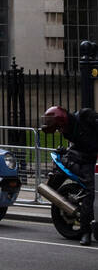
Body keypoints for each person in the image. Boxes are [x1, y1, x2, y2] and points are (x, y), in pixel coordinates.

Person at [42, 104, 98, 245]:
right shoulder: (67, 130)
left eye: (58, 127)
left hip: (91, 155)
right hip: (83, 159)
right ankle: (86, 232)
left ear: (62, 121)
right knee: (90, 190)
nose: (59, 131)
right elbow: (79, 145)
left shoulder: (85, 116)